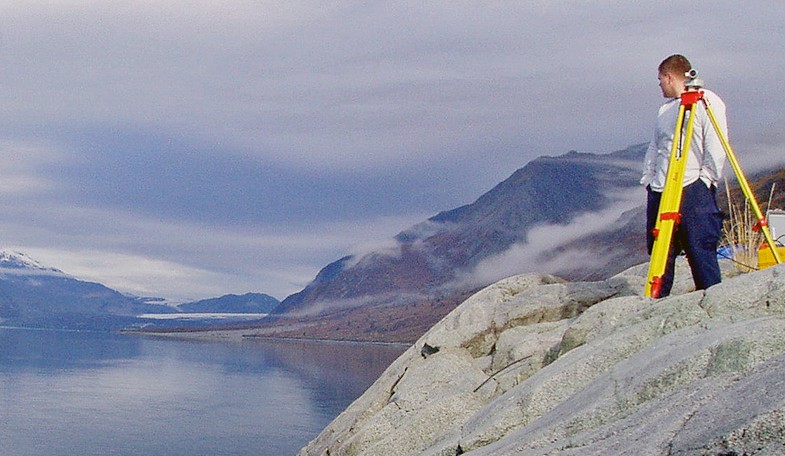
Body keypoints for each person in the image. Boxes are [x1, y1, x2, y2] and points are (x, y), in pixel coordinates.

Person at [641, 54, 727, 297]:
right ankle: (656, 301)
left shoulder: (705, 101)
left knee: (700, 248)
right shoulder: (665, 109)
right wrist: (648, 179)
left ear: (669, 77)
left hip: (692, 187)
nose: (659, 85)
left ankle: (712, 298)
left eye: (660, 80)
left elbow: (715, 144)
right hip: (661, 187)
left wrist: (706, 179)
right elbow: (656, 146)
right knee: (661, 250)